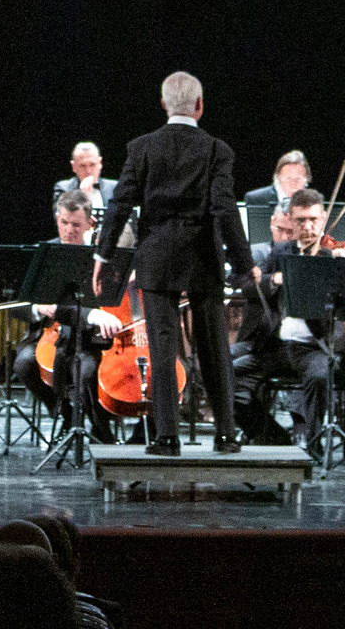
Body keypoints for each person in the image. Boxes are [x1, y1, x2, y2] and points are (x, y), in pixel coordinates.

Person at [92, 71, 245, 456]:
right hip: (203, 255)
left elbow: (120, 204)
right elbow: (225, 210)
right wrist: (243, 262)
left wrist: (102, 254)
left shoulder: (141, 148)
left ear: (163, 104)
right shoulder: (216, 150)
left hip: (157, 256)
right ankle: (226, 435)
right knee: (213, 347)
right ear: (199, 105)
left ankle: (166, 438)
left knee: (161, 347)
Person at [231, 189, 345, 453]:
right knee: (225, 375)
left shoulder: (333, 254)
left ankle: (312, 444)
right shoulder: (279, 252)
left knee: (320, 377)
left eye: (313, 220)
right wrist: (276, 278)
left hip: (315, 346)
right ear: (290, 218)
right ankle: (274, 439)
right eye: (300, 221)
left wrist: (341, 270)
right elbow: (249, 287)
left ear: (324, 217)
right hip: (276, 347)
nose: (308, 227)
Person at [18, 191, 122, 440]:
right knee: (24, 363)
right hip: (48, 336)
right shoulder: (46, 253)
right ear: (57, 219)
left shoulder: (100, 258)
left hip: (89, 339)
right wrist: (37, 308)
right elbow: (16, 304)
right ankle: (64, 412)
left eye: (76, 225)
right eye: (64, 223)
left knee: (85, 369)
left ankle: (101, 429)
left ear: (90, 224)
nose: (69, 230)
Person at [241, 151, 310, 214]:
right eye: (288, 178)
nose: (293, 184)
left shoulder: (316, 202)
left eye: (298, 179)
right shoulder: (256, 199)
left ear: (306, 179)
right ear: (277, 178)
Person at [53, 143, 116, 210]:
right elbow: (60, 216)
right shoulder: (63, 188)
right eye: (83, 166)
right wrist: (81, 193)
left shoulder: (115, 187)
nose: (88, 171)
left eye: (92, 164)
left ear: (100, 163)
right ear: (74, 166)